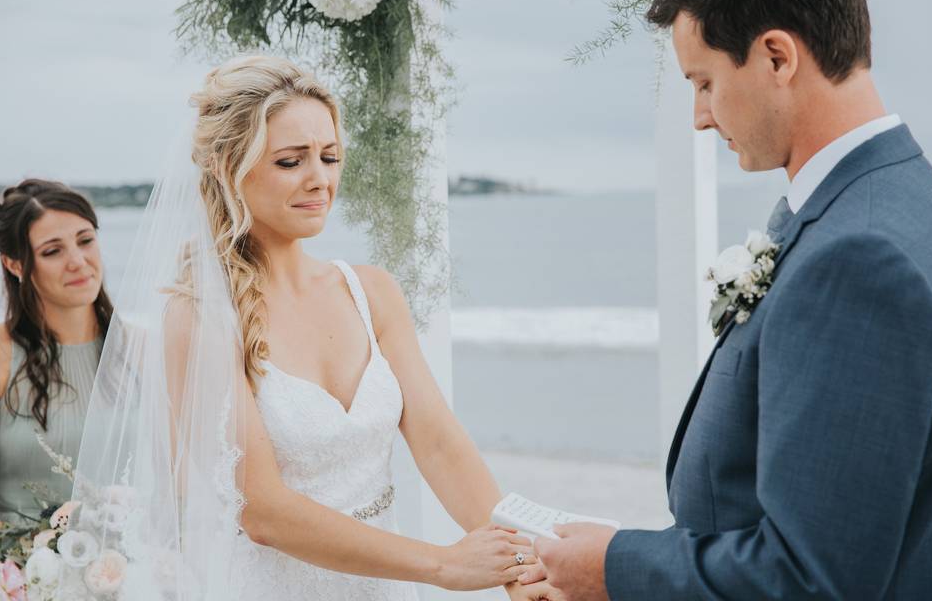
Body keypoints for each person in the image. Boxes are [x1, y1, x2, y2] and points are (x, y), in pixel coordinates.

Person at [524, 0, 932, 599]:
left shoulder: (859, 255)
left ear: (777, 56)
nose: (700, 117)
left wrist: (613, 568)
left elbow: (810, 579)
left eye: (704, 82)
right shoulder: (897, 196)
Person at [56, 56, 560, 601]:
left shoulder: (371, 292)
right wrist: (441, 566)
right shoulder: (199, 314)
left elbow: (439, 443)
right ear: (230, 169)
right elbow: (263, 511)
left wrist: (517, 567)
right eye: (291, 161)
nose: (319, 179)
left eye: (329, 156)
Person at [0, 179, 112, 525]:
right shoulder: (3, 355)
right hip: (19, 572)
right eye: (53, 251)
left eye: (85, 240)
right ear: (15, 264)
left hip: (136, 569)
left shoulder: (146, 350)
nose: (78, 261)